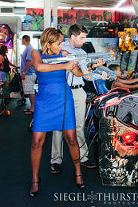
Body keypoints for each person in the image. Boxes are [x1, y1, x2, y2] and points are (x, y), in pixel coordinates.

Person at [29, 28, 86, 198]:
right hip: (45, 101)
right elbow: (39, 67)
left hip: (64, 98)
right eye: (58, 42)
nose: (61, 45)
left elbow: (78, 72)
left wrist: (88, 67)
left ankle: (78, 173)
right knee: (37, 141)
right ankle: (34, 179)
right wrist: (64, 64)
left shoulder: (64, 53)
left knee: (71, 138)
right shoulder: (36, 53)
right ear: (48, 43)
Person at [50, 24, 99, 172]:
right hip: (62, 90)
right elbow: (46, 60)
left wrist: (99, 72)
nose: (84, 41)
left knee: (79, 126)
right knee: (58, 126)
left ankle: (83, 157)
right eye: (82, 37)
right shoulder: (58, 48)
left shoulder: (83, 53)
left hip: (78, 91)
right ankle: (56, 160)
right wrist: (62, 57)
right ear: (72, 36)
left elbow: (87, 75)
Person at [21, 35, 36, 115]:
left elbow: (29, 62)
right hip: (29, 73)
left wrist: (24, 72)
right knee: (29, 91)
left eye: (22, 39)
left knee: (31, 91)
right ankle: (31, 107)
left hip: (29, 74)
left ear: (24, 39)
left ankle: (33, 108)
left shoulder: (29, 48)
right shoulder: (28, 48)